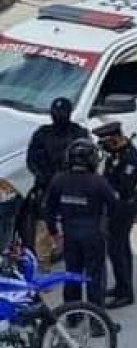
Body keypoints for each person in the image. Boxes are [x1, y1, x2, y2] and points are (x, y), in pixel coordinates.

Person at [46, 138, 117, 309]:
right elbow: (114, 205)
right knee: (95, 276)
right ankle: (96, 319)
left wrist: (54, 232)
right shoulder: (97, 181)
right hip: (93, 233)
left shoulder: (59, 180)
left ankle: (71, 314)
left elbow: (48, 210)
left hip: (70, 233)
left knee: (72, 274)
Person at [23, 98, 89, 257]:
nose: (58, 117)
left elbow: (88, 159)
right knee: (45, 220)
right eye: (55, 113)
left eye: (61, 113)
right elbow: (31, 160)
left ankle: (73, 248)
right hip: (48, 185)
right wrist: (42, 176)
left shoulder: (78, 133)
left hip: (72, 185)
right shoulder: (42, 134)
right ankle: (45, 254)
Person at [96, 121, 137, 310]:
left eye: (106, 142)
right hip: (114, 208)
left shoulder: (130, 158)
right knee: (115, 250)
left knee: (119, 249)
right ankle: (120, 286)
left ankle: (126, 292)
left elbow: (124, 187)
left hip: (124, 208)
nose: (104, 147)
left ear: (115, 139)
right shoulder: (115, 156)